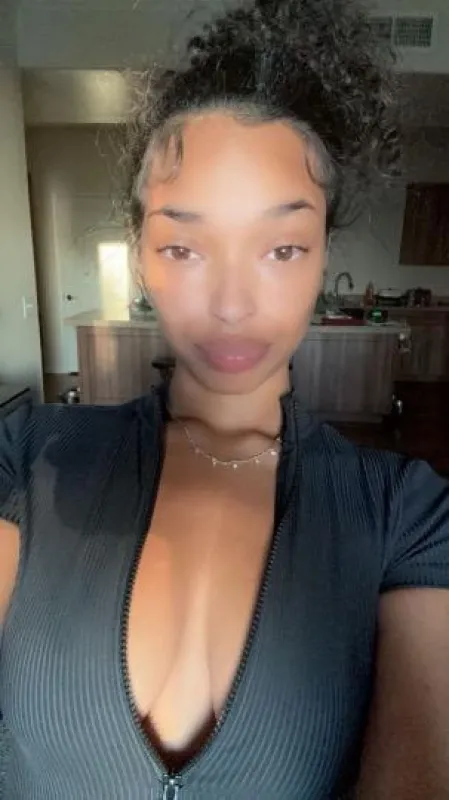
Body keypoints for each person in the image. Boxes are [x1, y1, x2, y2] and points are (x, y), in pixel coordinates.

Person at [1, 0, 449, 797]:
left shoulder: (406, 515)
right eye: (183, 246)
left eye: (281, 248)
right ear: (141, 254)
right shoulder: (27, 457)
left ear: (322, 255)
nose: (233, 304)